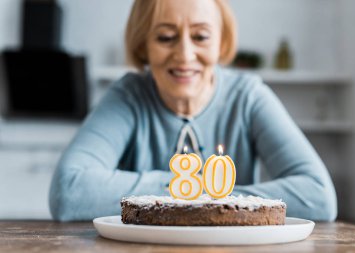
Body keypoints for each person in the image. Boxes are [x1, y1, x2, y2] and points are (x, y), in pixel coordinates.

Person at [49, 0, 337, 221]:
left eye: (200, 37)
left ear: (221, 42)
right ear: (143, 45)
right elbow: (69, 191)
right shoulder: (128, 96)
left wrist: (200, 195)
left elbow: (319, 197)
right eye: (165, 37)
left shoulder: (248, 96)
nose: (185, 55)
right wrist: (202, 190)